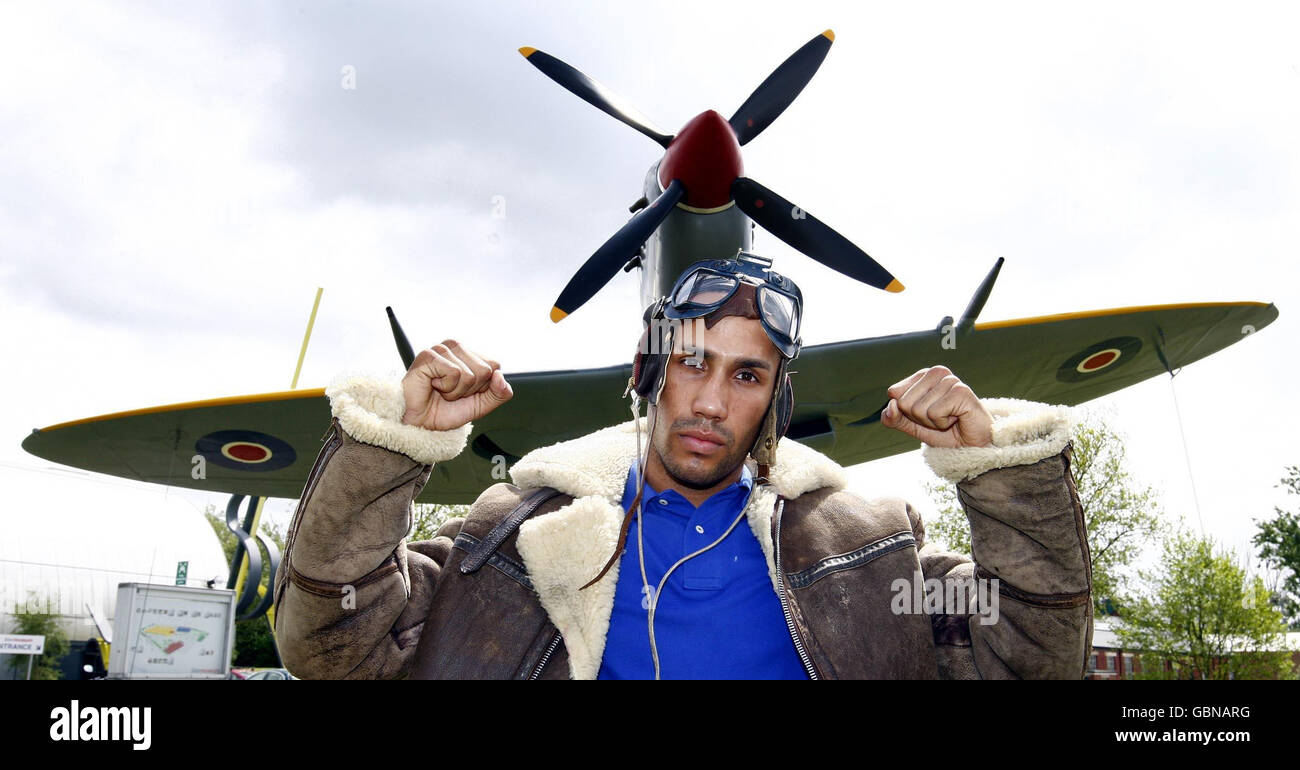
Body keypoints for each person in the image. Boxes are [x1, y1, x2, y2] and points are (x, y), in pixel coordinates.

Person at [272, 255, 1091, 679]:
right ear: (647, 375)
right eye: (691, 363)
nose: (709, 402)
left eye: (746, 376)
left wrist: (997, 466)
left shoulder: (872, 548)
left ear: (772, 402)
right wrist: (393, 445)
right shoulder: (510, 540)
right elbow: (329, 646)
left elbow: (1037, 658)